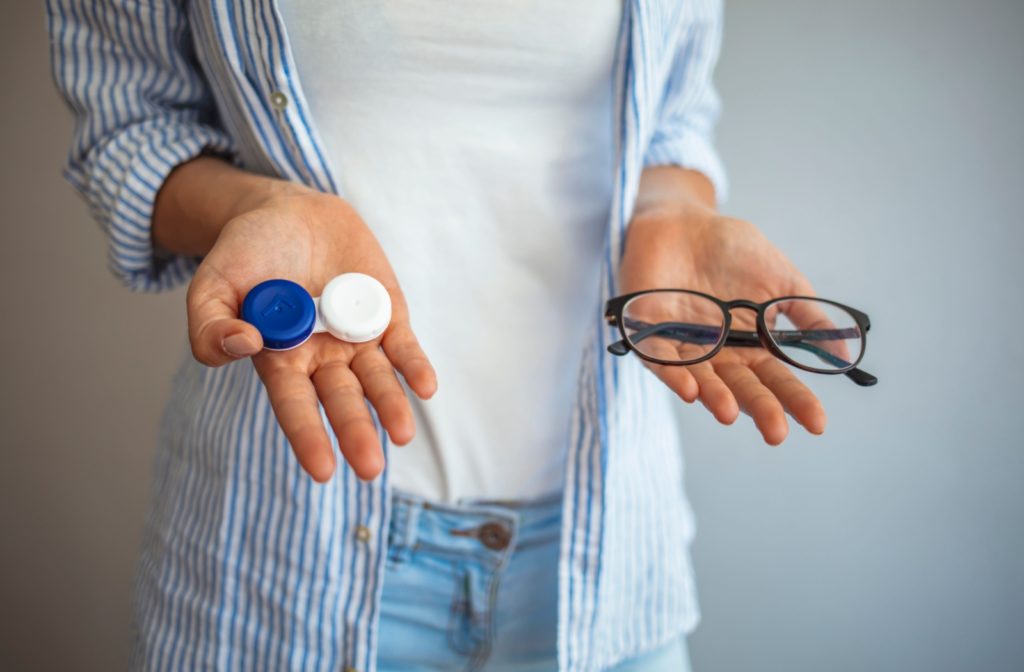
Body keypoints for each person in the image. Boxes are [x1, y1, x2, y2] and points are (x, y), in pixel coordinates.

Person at [47, 0, 828, 670]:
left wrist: (670, 209)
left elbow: (673, 119)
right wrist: (250, 206)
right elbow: (129, 128)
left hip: (602, 561)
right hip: (278, 563)